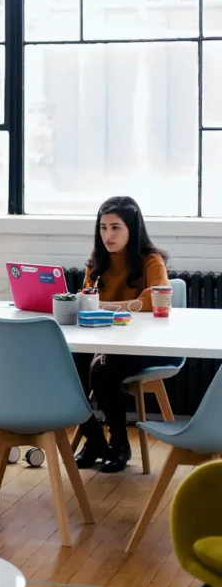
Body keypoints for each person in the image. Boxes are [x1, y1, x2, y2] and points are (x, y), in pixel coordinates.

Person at [74, 196, 175, 473]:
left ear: (132, 229)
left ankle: (119, 444)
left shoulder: (151, 261)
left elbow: (156, 299)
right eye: (103, 228)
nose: (108, 235)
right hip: (102, 340)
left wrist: (107, 306)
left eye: (116, 227)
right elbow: (87, 299)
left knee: (102, 372)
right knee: (66, 367)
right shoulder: (96, 262)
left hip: (145, 344)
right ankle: (94, 438)